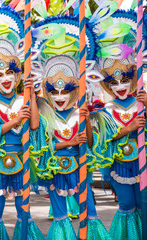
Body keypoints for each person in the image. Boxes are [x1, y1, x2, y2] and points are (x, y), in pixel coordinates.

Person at [30, 10, 112, 239]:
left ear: (75, 90)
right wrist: (69, 142)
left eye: (65, 90)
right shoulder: (45, 113)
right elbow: (42, 145)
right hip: (55, 167)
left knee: (89, 210)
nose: (59, 96)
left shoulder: (80, 111)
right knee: (59, 214)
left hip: (79, 165)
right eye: (54, 91)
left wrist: (85, 122)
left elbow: (92, 142)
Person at [0, 3, 44, 239]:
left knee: (25, 212)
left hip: (22, 158)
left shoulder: (25, 98)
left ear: (17, 75)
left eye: (10, 73)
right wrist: (14, 121)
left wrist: (31, 95)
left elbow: (34, 126)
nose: (6, 79)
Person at [89, 7, 146, 239]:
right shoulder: (106, 110)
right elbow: (102, 139)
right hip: (119, 165)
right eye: (113, 81)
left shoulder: (140, 103)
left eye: (125, 79)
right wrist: (129, 129)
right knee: (127, 206)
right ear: (106, 84)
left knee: (143, 206)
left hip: (142, 164)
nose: (120, 85)